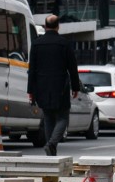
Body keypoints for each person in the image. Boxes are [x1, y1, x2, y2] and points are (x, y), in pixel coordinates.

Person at [27, 14, 81, 156]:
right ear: (58, 26)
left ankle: (51, 153)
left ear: (45, 27)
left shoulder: (37, 44)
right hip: (60, 86)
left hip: (42, 87)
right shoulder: (64, 43)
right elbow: (72, 67)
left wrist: (30, 90)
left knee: (48, 117)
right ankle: (51, 144)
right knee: (63, 117)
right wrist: (76, 87)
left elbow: (32, 69)